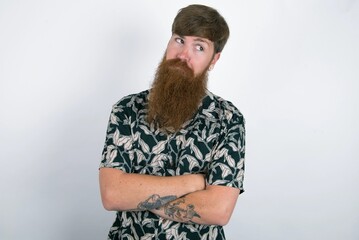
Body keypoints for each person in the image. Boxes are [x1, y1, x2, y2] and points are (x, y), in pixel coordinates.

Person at [99, 4, 245, 240]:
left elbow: (219, 210)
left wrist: (138, 196)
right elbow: (112, 195)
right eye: (179, 40)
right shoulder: (126, 110)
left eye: (199, 47)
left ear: (214, 59)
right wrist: (192, 183)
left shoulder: (228, 119)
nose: (183, 54)